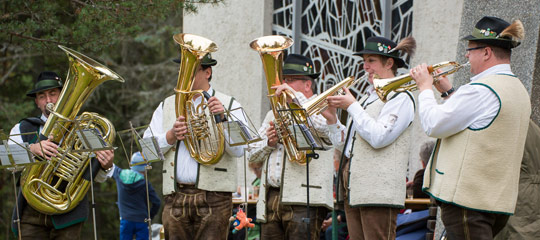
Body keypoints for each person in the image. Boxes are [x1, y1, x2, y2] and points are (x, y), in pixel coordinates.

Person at [409, 16, 530, 239]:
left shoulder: (479, 89)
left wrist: (425, 88)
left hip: (467, 201)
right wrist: (448, 92)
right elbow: (480, 122)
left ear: (486, 52)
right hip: (492, 200)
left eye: (471, 49)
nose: (466, 55)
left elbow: (433, 124)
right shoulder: (516, 89)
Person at [144, 53, 247, 239]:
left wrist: (223, 120)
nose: (182, 75)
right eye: (181, 70)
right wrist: (170, 136)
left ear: (207, 72)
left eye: (190, 70)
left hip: (215, 199)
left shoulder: (230, 104)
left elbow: (240, 150)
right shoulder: (166, 105)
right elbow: (146, 151)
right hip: (175, 197)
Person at [322, 36, 416, 239]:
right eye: (364, 61)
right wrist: (332, 121)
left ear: (389, 63)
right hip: (355, 190)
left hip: (379, 192)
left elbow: (379, 137)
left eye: (371, 60)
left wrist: (353, 106)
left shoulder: (400, 97)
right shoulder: (366, 98)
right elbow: (349, 145)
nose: (365, 66)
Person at [9, 71, 114, 239]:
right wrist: (32, 149)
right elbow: (6, 161)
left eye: (53, 94)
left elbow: (100, 177)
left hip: (68, 213)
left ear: (63, 95)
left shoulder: (85, 127)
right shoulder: (23, 127)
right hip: (30, 213)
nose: (48, 101)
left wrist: (106, 165)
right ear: (37, 102)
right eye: (42, 96)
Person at [248, 54, 334, 240]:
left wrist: (298, 101)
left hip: (304, 200)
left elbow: (328, 133)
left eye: (291, 80)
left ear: (307, 85)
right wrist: (269, 143)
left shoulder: (322, 108)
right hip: (271, 198)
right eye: (284, 80)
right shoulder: (274, 113)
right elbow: (251, 154)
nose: (283, 85)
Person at [107, 152, 161, 240]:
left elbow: (111, 167)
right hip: (142, 220)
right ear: (145, 169)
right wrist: (149, 216)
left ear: (132, 164)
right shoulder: (145, 183)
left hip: (125, 220)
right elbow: (157, 202)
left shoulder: (119, 174)